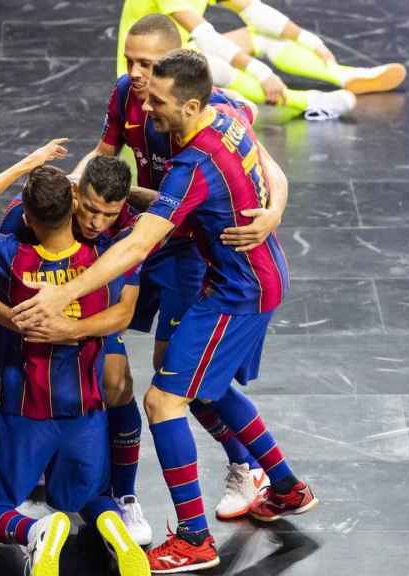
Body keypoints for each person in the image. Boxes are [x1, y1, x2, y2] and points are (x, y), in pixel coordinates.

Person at [12, 51, 316, 573]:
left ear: (191, 103)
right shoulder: (227, 117)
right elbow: (251, 173)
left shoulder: (192, 165)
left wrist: (61, 295)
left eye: (158, 102)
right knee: (208, 393)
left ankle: (194, 538)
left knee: (162, 401)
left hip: (235, 293)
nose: (147, 107)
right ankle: (285, 488)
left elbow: (133, 248)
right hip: (255, 276)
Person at [75, 13, 284, 524]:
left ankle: (243, 467)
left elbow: (266, 165)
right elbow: (105, 156)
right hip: (152, 227)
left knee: (180, 384)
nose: (136, 74)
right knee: (98, 331)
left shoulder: (213, 110)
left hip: (192, 252)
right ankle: (84, 459)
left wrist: (274, 210)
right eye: (130, 61)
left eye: (146, 63)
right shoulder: (129, 94)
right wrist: (69, 189)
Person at [0, 156, 148, 548]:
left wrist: (70, 327)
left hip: (70, 311)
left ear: (122, 207)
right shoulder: (22, 221)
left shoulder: (121, 229)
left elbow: (123, 312)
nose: (95, 222)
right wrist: (13, 318)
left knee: (117, 381)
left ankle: (123, 497)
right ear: (73, 195)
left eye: (109, 213)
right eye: (89, 209)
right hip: (7, 302)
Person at [117, 0, 407, 121]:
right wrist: (261, 72)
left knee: (259, 36)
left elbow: (254, 10)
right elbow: (207, 37)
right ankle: (308, 102)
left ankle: (343, 75)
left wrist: (307, 39)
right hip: (145, 73)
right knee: (212, 66)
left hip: (181, 53)